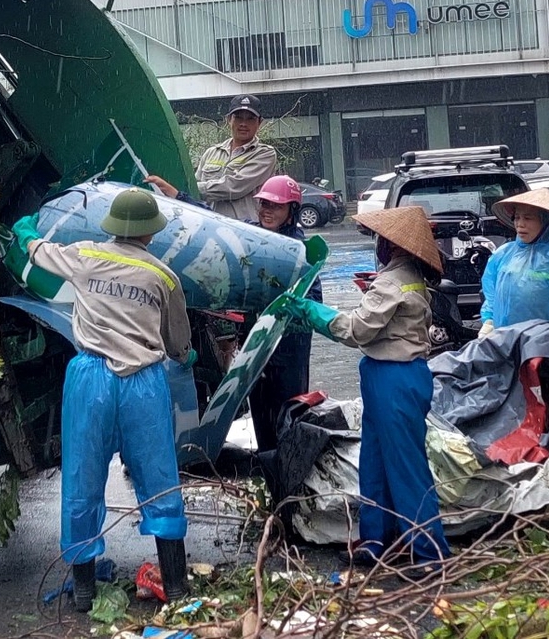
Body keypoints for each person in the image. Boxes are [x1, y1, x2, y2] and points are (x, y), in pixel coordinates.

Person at [5, 189, 195, 611]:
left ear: (111, 226)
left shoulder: (85, 254)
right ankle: (178, 588)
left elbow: (39, 252)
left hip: (90, 379)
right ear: (149, 234)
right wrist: (185, 355)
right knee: (159, 478)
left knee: (83, 480)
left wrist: (25, 233)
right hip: (143, 382)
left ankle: (86, 590)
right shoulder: (164, 277)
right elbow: (178, 340)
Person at [281, 207, 450, 573]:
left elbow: (358, 331)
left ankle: (429, 552)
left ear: (390, 244)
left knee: (405, 467)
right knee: (374, 462)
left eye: (380, 240)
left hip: (394, 378)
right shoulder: (406, 276)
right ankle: (376, 542)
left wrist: (314, 312)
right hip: (387, 375)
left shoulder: (391, 282)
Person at [247, 174, 321, 452]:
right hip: (258, 345)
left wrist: (290, 307)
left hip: (289, 348)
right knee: (261, 417)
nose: (267, 210)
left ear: (292, 212)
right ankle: (270, 473)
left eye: (275, 206)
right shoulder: (253, 237)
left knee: (287, 415)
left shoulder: (301, 251)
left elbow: (314, 300)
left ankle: (288, 475)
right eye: (264, 204)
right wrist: (179, 198)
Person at [475, 187, 549, 335]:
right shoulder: (503, 254)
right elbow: (492, 294)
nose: (520, 224)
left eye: (528, 218)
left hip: (546, 345)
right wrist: (489, 321)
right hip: (504, 342)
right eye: (517, 217)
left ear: (546, 222)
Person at [147, 95, 278, 222]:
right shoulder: (211, 152)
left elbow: (233, 187)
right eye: (238, 118)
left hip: (245, 231)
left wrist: (183, 189)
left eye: (250, 119)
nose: (243, 124)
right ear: (228, 119)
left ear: (260, 122)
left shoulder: (265, 154)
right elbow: (196, 192)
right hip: (209, 227)